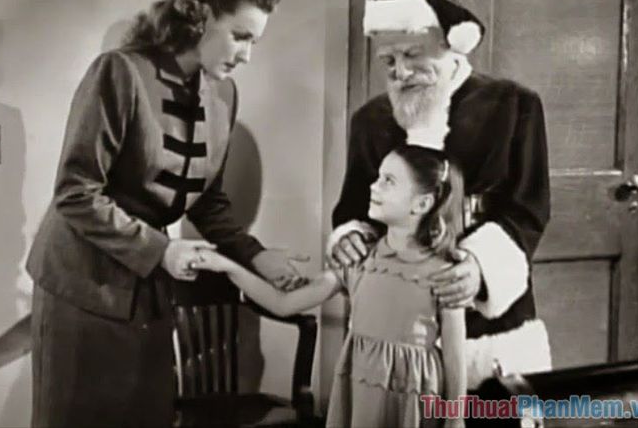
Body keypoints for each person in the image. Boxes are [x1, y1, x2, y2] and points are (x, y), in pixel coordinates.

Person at [26, 0, 305, 428]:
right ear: (200, 16)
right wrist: (161, 250)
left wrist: (256, 256)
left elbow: (208, 201)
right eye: (240, 36)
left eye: (254, 42)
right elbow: (76, 191)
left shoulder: (224, 96)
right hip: (82, 287)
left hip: (150, 290)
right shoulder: (121, 72)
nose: (247, 56)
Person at [329, 0, 552, 391]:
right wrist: (349, 238)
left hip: (492, 331)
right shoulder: (369, 121)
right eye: (388, 60)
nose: (400, 72)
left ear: (451, 47)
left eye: (413, 55)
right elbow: (355, 211)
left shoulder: (513, 105)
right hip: (398, 337)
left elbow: (527, 211)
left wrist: (479, 268)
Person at [194, 142, 469, 428]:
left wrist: (455, 417)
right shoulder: (360, 258)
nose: (373, 187)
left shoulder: (446, 273)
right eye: (378, 177)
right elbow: (283, 303)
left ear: (422, 204)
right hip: (361, 394)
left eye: (388, 181)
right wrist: (227, 267)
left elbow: (454, 355)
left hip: (413, 397)